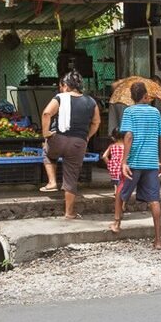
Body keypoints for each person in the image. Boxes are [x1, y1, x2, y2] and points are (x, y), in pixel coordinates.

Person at [109, 81, 161, 249]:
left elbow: (128, 136)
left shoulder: (129, 111)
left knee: (120, 192)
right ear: (145, 96)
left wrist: (124, 161)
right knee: (154, 201)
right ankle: (158, 240)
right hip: (151, 162)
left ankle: (117, 224)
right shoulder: (155, 112)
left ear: (132, 97)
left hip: (134, 162)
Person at [39, 69, 101, 220]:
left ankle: (52, 182)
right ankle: (69, 213)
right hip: (78, 143)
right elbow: (96, 122)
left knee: (47, 153)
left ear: (66, 85)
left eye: (61, 86)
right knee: (71, 177)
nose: (61, 89)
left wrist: (46, 133)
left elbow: (47, 113)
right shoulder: (91, 101)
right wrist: (87, 137)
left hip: (58, 139)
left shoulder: (60, 98)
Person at [101, 128, 125, 194]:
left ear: (113, 137)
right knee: (122, 183)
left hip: (114, 168)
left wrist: (109, 164)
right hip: (123, 169)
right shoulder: (126, 147)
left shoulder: (112, 146)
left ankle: (116, 191)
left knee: (116, 182)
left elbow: (104, 156)